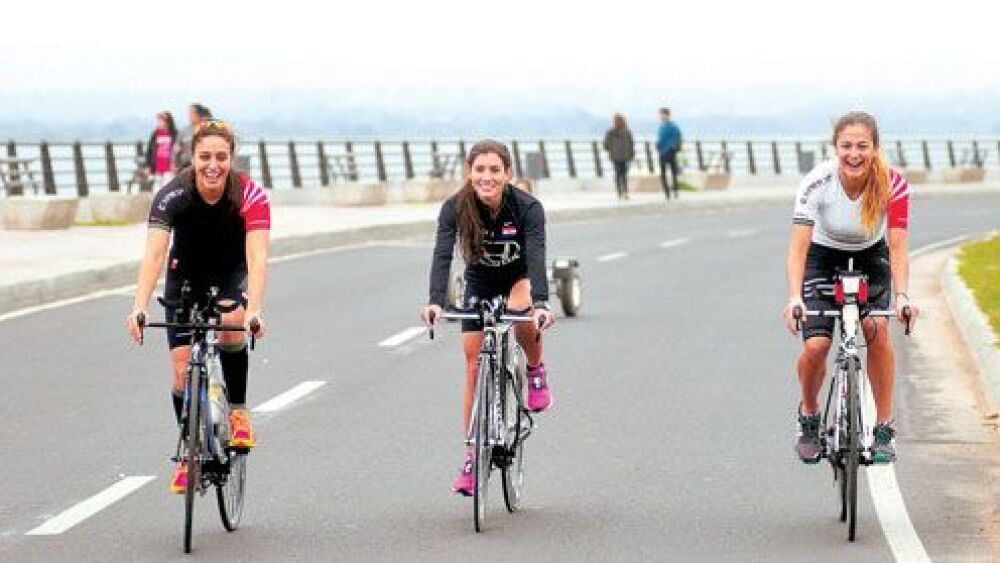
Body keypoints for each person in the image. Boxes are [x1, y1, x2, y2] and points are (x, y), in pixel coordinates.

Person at [126, 120, 271, 493]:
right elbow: (155, 252)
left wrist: (255, 309)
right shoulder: (172, 195)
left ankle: (237, 410)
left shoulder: (250, 194)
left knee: (231, 320)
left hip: (228, 273)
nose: (213, 165)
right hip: (184, 277)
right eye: (205, 156)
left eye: (221, 157)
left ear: (231, 159)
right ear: (191, 158)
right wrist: (139, 307)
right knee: (179, 372)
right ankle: (190, 454)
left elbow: (257, 256)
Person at [781, 110, 919, 465]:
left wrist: (903, 296)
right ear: (835, 148)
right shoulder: (817, 183)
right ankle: (809, 416)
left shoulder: (893, 183)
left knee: (876, 329)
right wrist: (795, 297)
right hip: (822, 258)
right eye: (846, 146)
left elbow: (899, 246)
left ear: (875, 148)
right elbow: (798, 248)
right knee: (816, 346)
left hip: (870, 258)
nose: (854, 154)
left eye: (862, 146)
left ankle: (884, 427)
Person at [421, 139, 555, 496]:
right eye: (479, 170)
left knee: (519, 311)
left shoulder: (527, 208)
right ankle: (471, 455)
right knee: (473, 366)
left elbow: (538, 255)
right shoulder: (455, 207)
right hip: (479, 280)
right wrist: (435, 302)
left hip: (519, 278)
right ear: (469, 172)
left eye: (495, 170)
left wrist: (541, 302)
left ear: (508, 174)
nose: (487, 177)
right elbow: (442, 255)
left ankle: (535, 370)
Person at [603, 113, 635, 200]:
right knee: (624, 174)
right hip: (625, 156)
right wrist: (631, 155)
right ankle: (625, 191)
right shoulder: (627, 131)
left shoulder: (610, 132)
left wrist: (611, 151)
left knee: (618, 174)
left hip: (615, 157)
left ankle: (619, 191)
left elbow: (605, 145)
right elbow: (631, 144)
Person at [173, 103, 213, 171]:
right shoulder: (184, 131)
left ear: (199, 114)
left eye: (191, 113)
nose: (189, 116)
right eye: (189, 114)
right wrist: (175, 163)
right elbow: (177, 149)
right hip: (185, 167)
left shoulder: (209, 129)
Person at [145, 111, 178, 189]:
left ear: (167, 122)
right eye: (158, 121)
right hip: (157, 166)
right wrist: (148, 166)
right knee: (157, 189)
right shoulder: (155, 134)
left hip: (169, 166)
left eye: (160, 121)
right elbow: (149, 151)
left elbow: (178, 150)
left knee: (167, 187)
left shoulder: (175, 134)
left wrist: (176, 163)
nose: (158, 123)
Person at [655, 107, 682, 200]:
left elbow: (677, 138)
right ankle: (667, 192)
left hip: (670, 153)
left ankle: (675, 190)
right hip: (662, 153)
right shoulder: (661, 127)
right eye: (661, 115)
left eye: (663, 115)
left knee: (673, 172)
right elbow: (660, 139)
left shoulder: (673, 127)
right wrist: (658, 146)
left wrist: (672, 148)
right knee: (663, 173)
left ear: (668, 115)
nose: (661, 117)